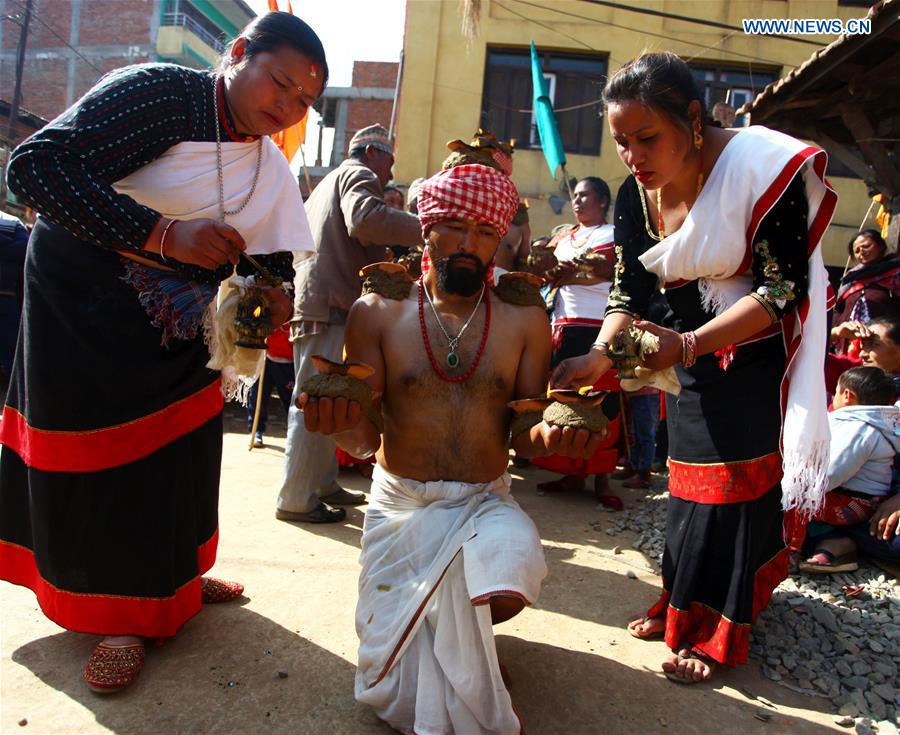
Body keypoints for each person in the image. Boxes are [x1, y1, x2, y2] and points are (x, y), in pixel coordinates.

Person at [0, 11, 325, 693]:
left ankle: (175, 574)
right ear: (238, 53)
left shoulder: (267, 162)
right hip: (86, 304)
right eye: (281, 84)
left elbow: (266, 260)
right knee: (116, 462)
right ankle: (120, 615)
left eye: (303, 101)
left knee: (185, 452)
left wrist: (273, 301)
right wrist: (164, 234)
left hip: (183, 322)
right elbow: (35, 169)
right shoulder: (156, 94)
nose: (287, 107)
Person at [552, 52, 836, 683]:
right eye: (622, 142)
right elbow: (627, 292)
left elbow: (780, 291)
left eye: (647, 138)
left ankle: (717, 630)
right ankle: (682, 602)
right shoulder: (633, 194)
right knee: (685, 484)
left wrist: (685, 346)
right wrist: (600, 354)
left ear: (693, 118)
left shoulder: (763, 170)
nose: (633, 156)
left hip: (751, 354)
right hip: (683, 358)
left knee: (732, 488)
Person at [299, 163, 606, 733]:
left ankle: (470, 638)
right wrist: (336, 424)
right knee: (388, 690)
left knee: (511, 559)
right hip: (401, 506)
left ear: (500, 241)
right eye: (456, 228)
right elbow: (364, 438)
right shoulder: (378, 312)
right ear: (426, 228)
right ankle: (460, 649)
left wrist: (559, 435)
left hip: (482, 501)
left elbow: (527, 435)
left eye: (486, 233)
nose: (471, 245)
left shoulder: (524, 317)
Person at [278, 123, 423, 524]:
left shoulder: (328, 182)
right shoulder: (358, 175)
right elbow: (366, 220)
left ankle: (321, 484)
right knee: (317, 402)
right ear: (373, 153)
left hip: (319, 302)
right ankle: (296, 498)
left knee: (331, 397)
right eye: (390, 162)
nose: (390, 174)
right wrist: (428, 228)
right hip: (332, 305)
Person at [534, 177, 621, 499]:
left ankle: (601, 479)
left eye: (586, 196)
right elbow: (549, 270)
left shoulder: (612, 234)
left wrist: (573, 275)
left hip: (599, 326)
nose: (578, 201)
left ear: (602, 200)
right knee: (564, 398)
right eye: (577, 196)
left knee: (603, 400)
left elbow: (613, 272)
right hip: (563, 323)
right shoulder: (564, 235)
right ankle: (568, 473)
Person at [798, 366, 899, 573]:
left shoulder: (860, 429)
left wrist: (797, 485)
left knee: (789, 509)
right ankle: (835, 545)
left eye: (834, 392)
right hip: (858, 500)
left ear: (847, 395)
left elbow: (830, 474)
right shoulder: (868, 424)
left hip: (851, 503)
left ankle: (805, 547)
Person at [832, 229, 900, 351]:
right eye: (856, 251)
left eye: (866, 246)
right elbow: (838, 310)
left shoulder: (896, 271)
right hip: (851, 342)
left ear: (880, 245)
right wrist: (838, 329)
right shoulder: (850, 278)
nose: (861, 252)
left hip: (884, 340)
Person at [246, 323, 295, 448]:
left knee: (291, 401)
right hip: (265, 354)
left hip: (287, 359)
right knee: (257, 395)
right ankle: (255, 430)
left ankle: (294, 433)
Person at [0, 210, 29, 381]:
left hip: (6, 296)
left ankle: (15, 398)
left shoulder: (12, 221)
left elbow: (25, 249)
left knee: (11, 346)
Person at [494, 201, 531, 274]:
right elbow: (524, 257)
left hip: (502, 277)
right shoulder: (523, 227)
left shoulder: (522, 226)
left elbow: (524, 258)